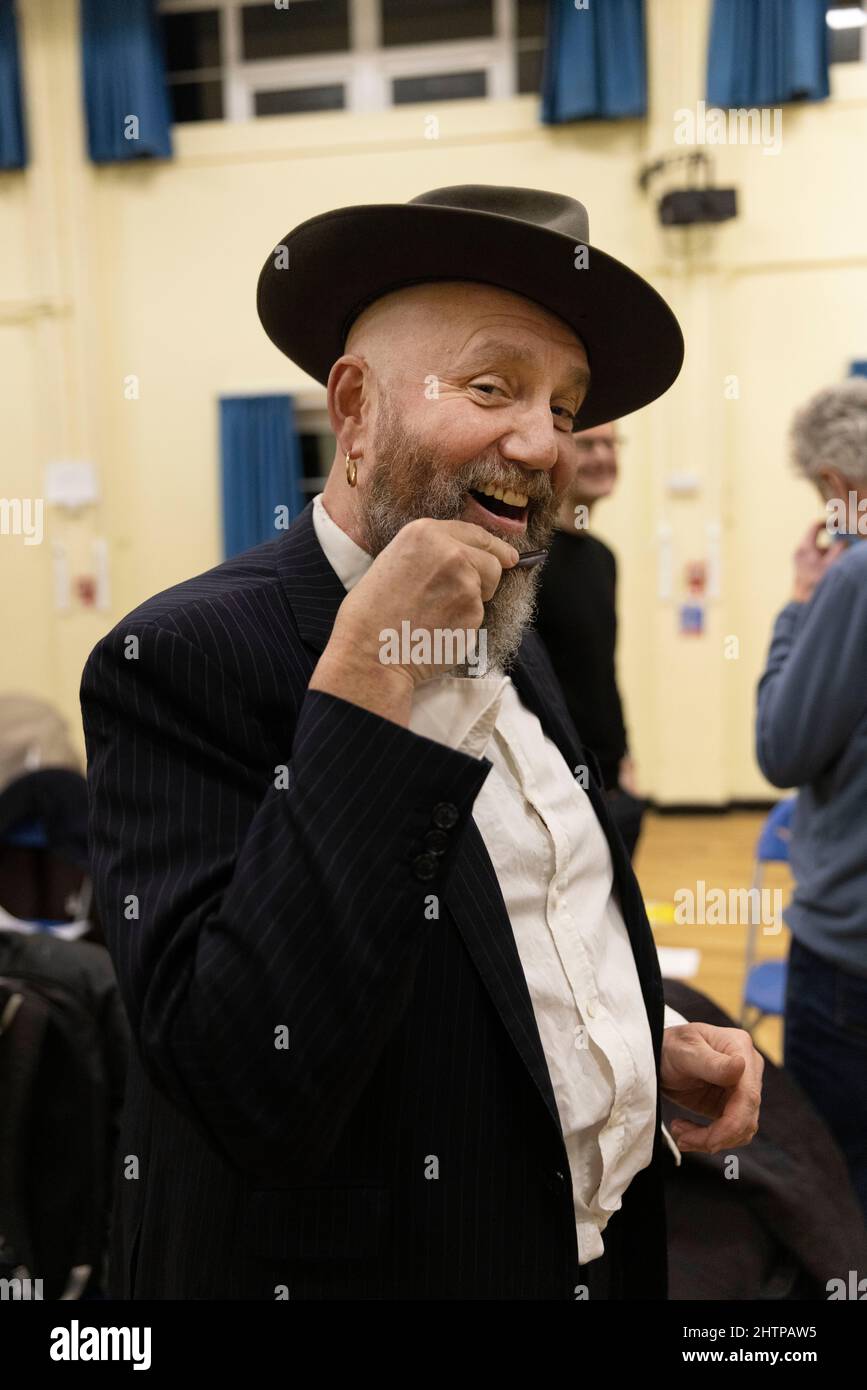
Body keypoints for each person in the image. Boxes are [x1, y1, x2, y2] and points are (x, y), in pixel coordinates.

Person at [81, 184, 763, 1301]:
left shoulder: (513, 626)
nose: (542, 442)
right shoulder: (180, 658)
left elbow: (503, 942)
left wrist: (630, 1039)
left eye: (567, 404)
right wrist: (363, 675)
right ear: (353, 409)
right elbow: (244, 1076)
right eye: (494, 386)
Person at [756, 379, 867, 1224]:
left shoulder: (854, 573)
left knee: (837, 1195)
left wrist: (798, 605)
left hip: (849, 956)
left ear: (836, 485)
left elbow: (781, 749)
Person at [533, 421, 646, 857]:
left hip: (609, 776)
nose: (603, 456)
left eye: (611, 444)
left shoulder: (603, 558)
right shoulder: (528, 558)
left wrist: (623, 756)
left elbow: (600, 670)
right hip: (556, 777)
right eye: (588, 445)